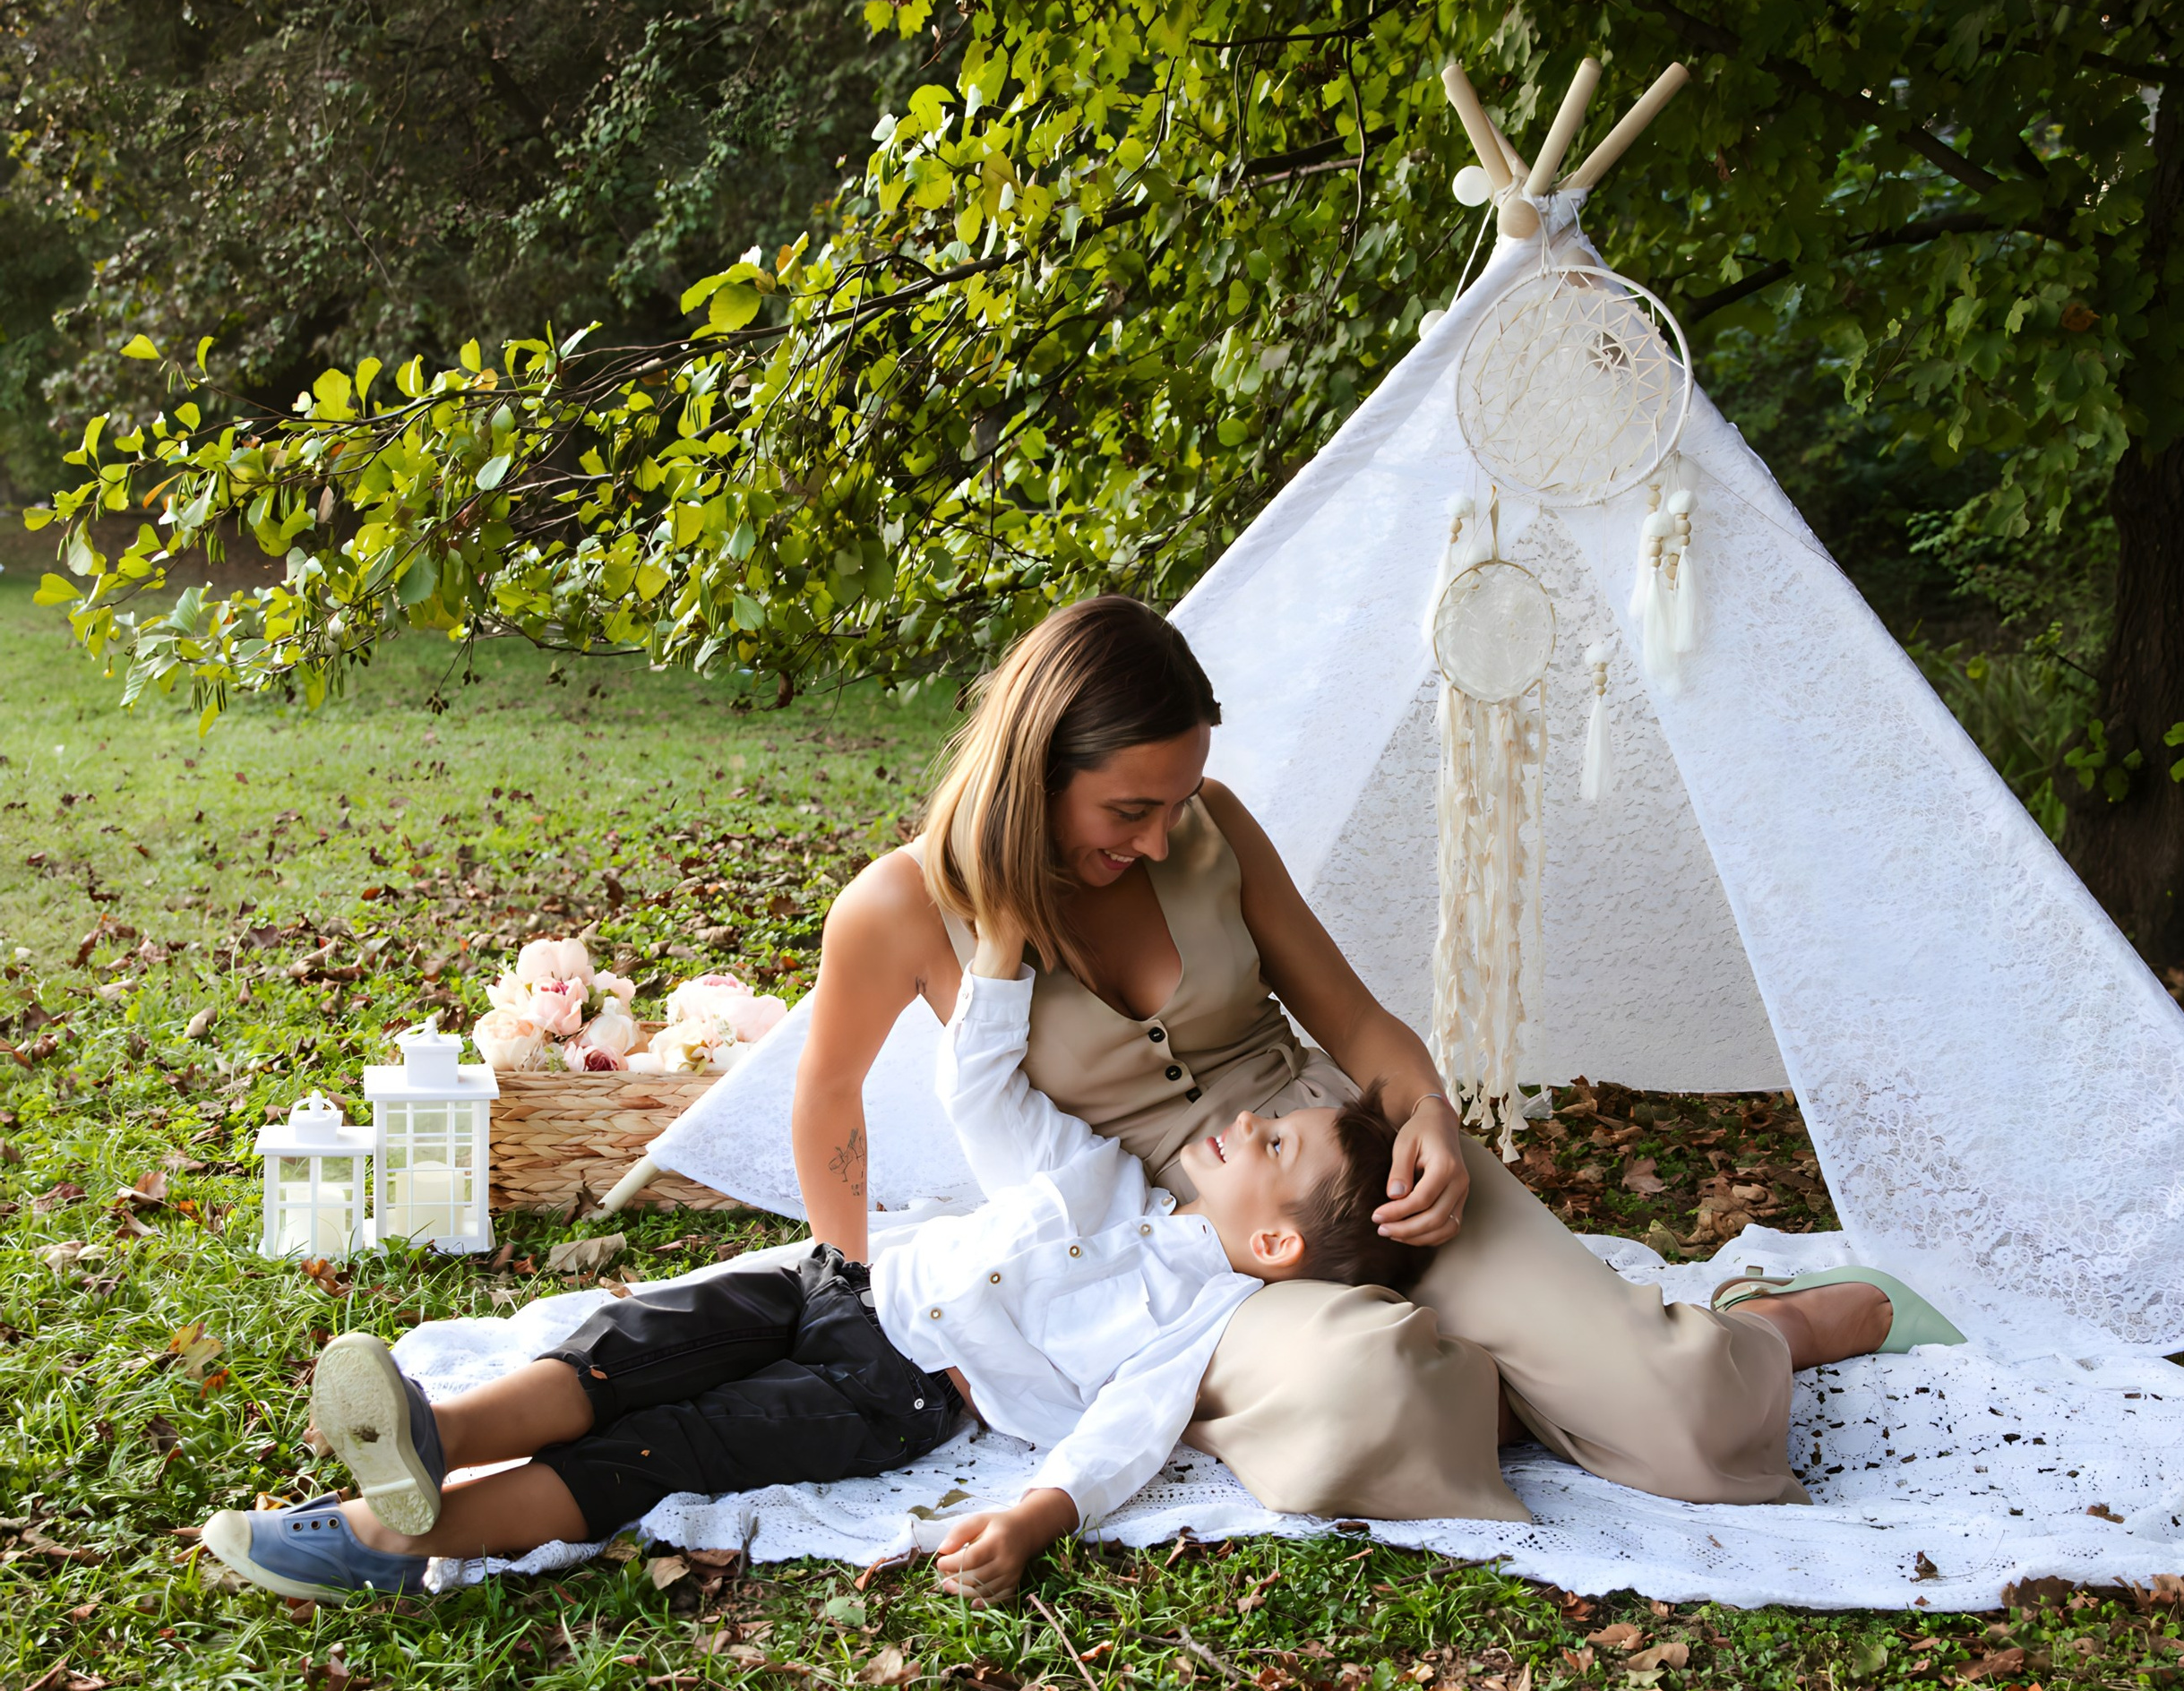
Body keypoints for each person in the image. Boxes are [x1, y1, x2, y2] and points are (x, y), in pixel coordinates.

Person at [794, 594, 1936, 1528]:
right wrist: (846, 1295)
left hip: (1343, 1157)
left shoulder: (1213, 830)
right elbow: (831, 1099)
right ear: (1032, 768)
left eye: (1177, 799)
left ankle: (1753, 1324)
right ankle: (1510, 1373)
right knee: (1368, 1395)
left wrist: (1426, 1111)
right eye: (1128, 808)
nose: (1157, 838)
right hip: (1178, 1268)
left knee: (1681, 1413)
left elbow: (1356, 1024)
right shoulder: (901, 904)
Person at [198, 915, 1427, 1608]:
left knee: (669, 1445)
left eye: (1277, 1137)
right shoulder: (1102, 1172)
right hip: (840, 1279)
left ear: (1272, 1241)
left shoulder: (1193, 1316)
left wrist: (1038, 1517)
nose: (1249, 1117)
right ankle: (436, 1430)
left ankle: (398, 1535)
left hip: (896, 1392)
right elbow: (987, 1102)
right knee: (635, 1343)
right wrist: (993, 967)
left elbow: (1125, 1435)